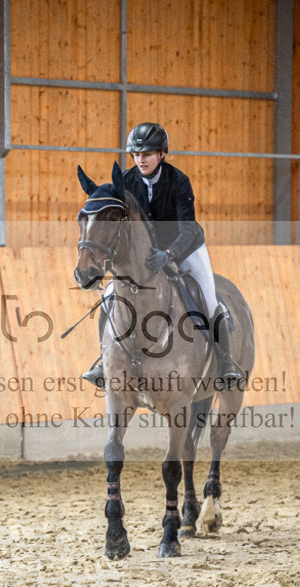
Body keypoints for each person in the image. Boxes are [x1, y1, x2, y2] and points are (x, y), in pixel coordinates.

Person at [82, 122, 244, 388]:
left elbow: (187, 228)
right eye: (136, 154)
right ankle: (103, 361)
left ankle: (225, 363)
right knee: (109, 296)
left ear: (162, 154)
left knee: (208, 298)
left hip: (185, 247)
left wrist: (168, 255)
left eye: (147, 154)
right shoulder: (126, 181)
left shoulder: (179, 181)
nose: (141, 160)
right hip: (146, 254)